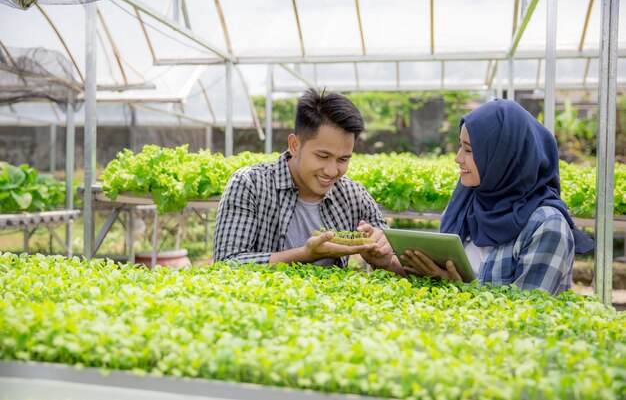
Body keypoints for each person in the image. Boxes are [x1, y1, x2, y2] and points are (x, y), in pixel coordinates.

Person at [401, 99, 594, 295]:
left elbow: (526, 315)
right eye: (460, 146)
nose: (458, 158)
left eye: (468, 149)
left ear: (502, 157)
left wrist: (458, 289)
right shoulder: (467, 202)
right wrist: (391, 262)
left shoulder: (547, 225)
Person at [213, 88, 405, 276]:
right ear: (295, 145)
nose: (331, 171)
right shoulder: (250, 184)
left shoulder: (353, 195)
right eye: (322, 156)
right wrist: (304, 255)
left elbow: (403, 265)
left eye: (343, 160)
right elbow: (226, 264)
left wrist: (384, 260)